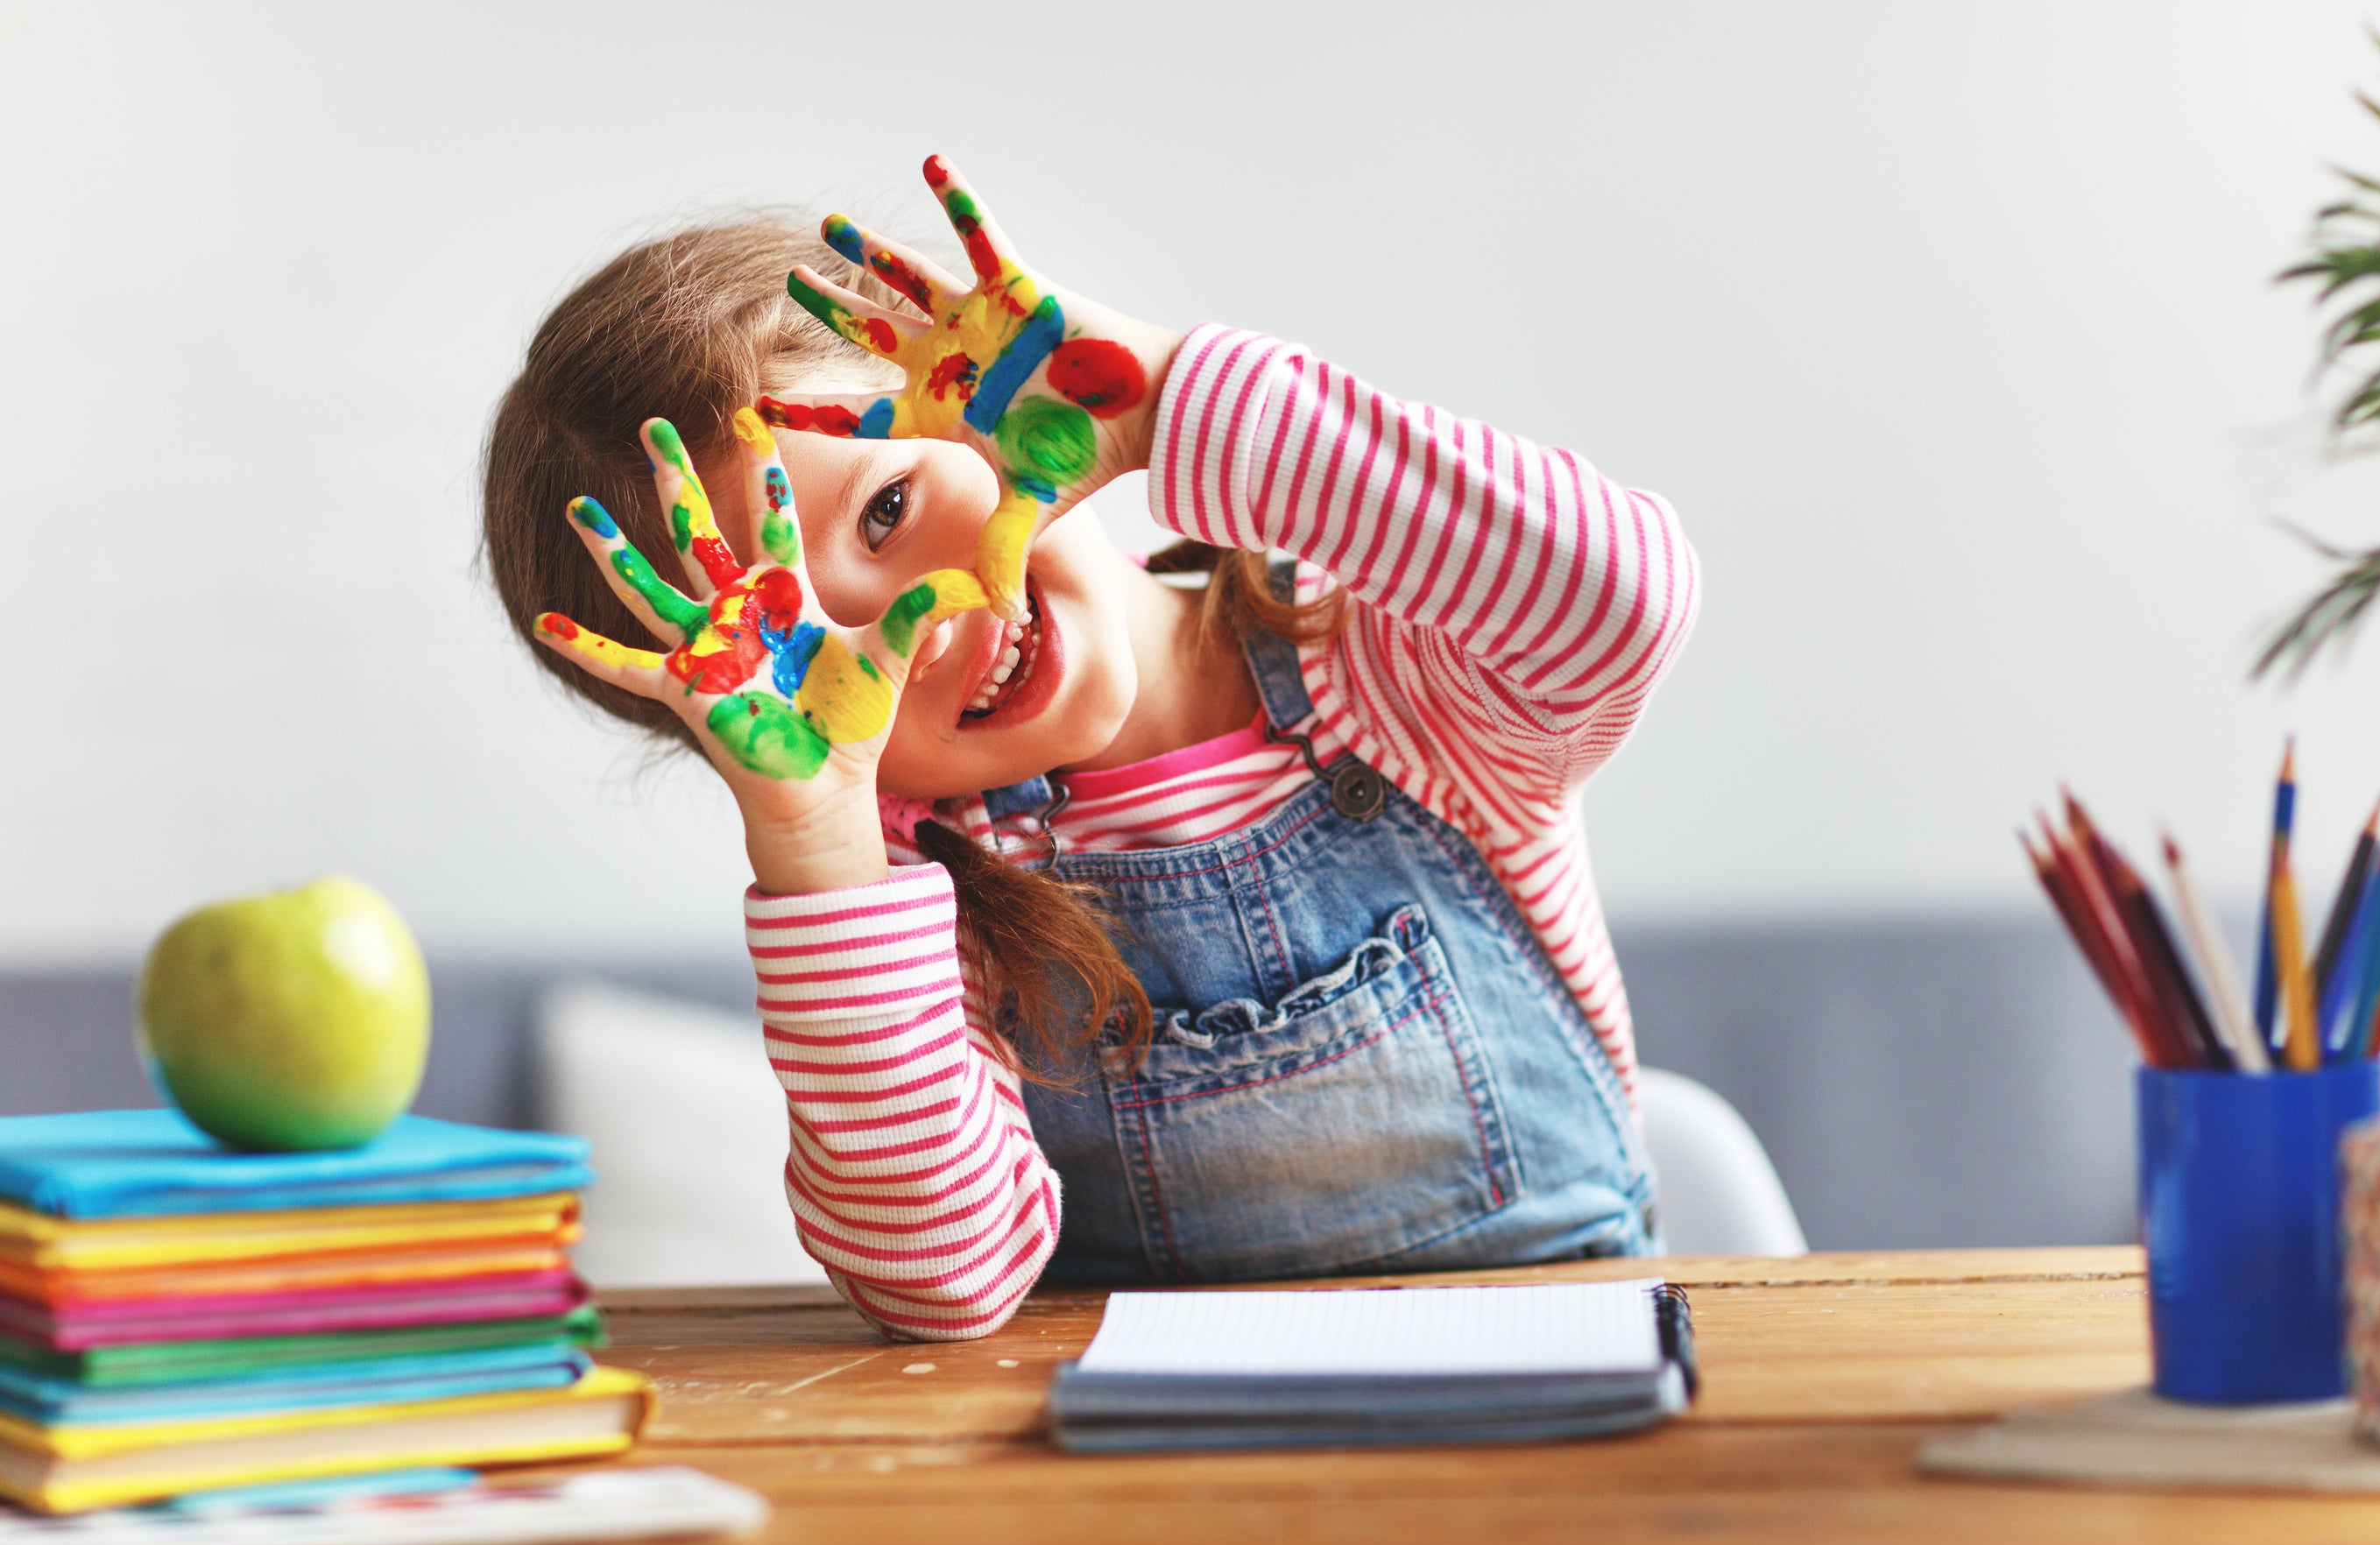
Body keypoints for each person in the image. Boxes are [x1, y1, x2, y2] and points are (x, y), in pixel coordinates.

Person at [483, 157, 1700, 1340]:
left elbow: (1618, 599)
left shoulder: (1389, 671)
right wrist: (818, 840)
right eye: (795, 652)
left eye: (887, 509)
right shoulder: (917, 891)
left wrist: (1161, 397)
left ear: (992, 401)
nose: (918, 623)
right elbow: (941, 1284)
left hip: (1566, 1383)